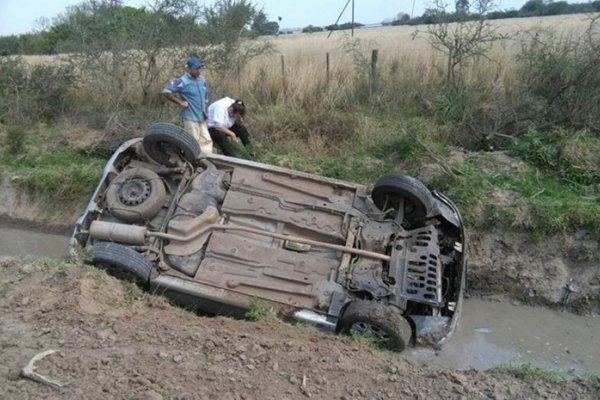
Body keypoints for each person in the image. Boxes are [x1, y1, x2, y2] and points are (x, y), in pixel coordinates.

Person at [162, 57, 212, 153]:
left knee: (206, 139)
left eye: (199, 68)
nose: (198, 70)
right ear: (189, 69)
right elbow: (166, 91)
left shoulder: (202, 80)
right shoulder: (182, 81)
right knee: (193, 141)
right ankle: (193, 162)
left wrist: (205, 110)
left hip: (201, 115)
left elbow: (205, 96)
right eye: (196, 68)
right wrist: (180, 102)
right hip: (190, 116)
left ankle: (207, 160)